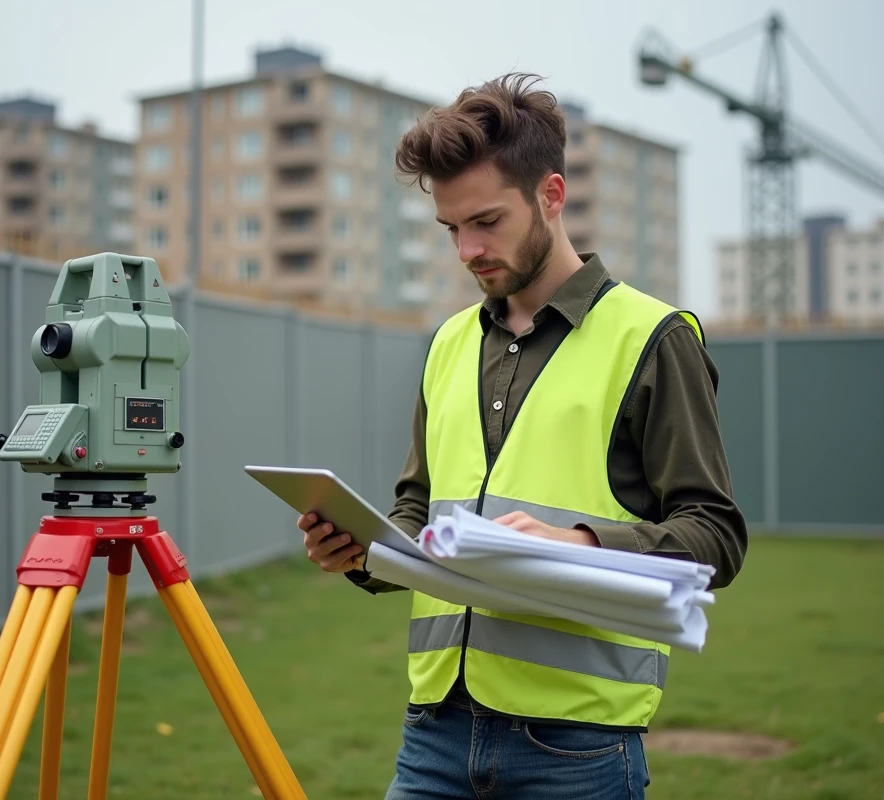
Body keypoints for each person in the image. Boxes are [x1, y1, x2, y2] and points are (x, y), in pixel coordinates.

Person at [298, 72, 748, 799]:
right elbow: (417, 513)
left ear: (551, 195)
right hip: (432, 734)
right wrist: (362, 551)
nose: (466, 249)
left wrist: (580, 542)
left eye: (486, 222)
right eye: (450, 229)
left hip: (577, 750)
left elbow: (715, 536)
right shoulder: (447, 343)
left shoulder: (652, 337)